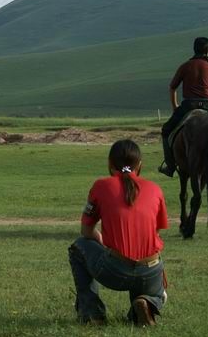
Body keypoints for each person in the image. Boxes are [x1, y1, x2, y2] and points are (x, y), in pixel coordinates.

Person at [68, 139, 168, 326]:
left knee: (79, 246)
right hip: (152, 269)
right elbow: (155, 232)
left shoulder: (101, 186)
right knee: (154, 288)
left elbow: (86, 230)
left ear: (109, 163)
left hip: (115, 271)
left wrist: (104, 243)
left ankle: (93, 314)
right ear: (140, 164)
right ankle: (147, 302)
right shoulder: (155, 189)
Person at [158, 36, 208, 177]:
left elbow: (172, 88)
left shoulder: (185, 66)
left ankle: (170, 166)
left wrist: (175, 106)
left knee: (166, 130)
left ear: (194, 49)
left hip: (188, 106)